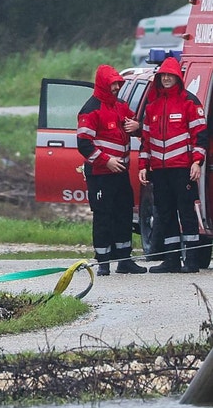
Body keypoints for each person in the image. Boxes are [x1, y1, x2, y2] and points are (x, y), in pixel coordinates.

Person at [139, 56, 209, 273]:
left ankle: (191, 261)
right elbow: (146, 138)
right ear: (159, 78)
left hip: (182, 169)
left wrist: (197, 162)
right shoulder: (153, 105)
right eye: (163, 76)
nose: (167, 79)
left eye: (170, 75)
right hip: (160, 171)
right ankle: (171, 260)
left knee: (186, 213)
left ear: (178, 78)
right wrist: (143, 165)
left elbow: (201, 135)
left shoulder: (189, 101)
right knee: (165, 213)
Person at [77, 64, 147, 276]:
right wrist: (106, 161)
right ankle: (103, 261)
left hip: (120, 173)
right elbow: (84, 144)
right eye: (113, 83)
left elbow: (137, 127)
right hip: (100, 174)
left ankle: (125, 260)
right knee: (103, 216)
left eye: (118, 83)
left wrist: (138, 126)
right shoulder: (90, 109)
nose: (117, 87)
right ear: (103, 84)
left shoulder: (121, 106)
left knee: (124, 214)